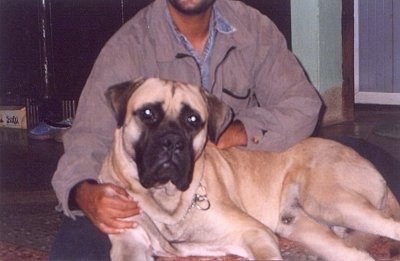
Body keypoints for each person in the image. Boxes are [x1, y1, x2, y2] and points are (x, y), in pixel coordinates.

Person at [49, 0, 399, 259]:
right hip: (146, 184)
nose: (170, 137)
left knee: (358, 150)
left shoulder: (252, 28)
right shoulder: (129, 45)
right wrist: (83, 192)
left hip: (251, 160)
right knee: (81, 237)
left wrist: (244, 130)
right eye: (151, 115)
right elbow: (87, 134)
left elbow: (304, 104)